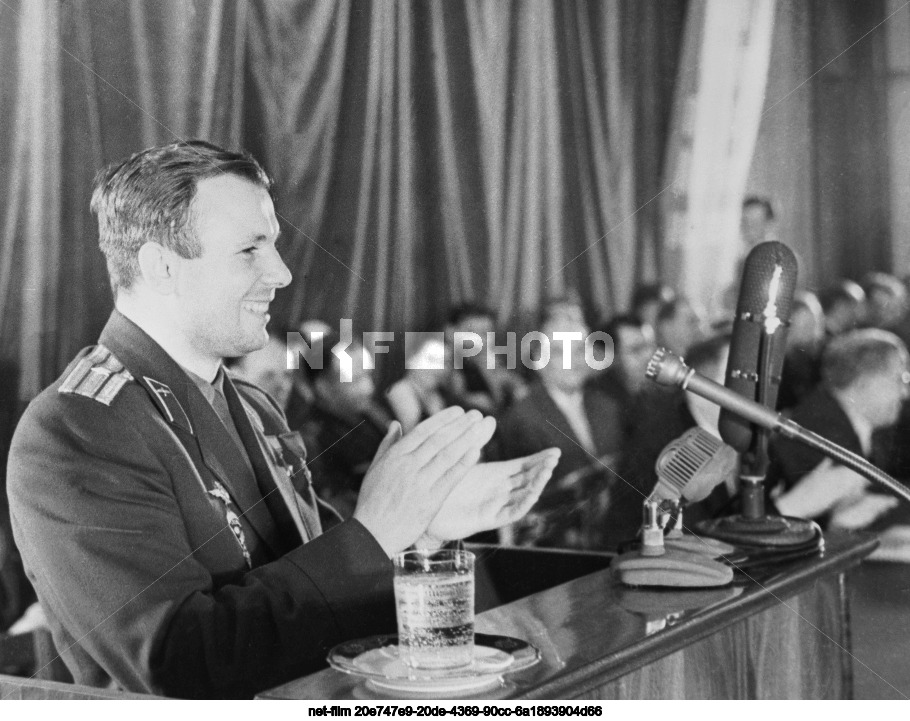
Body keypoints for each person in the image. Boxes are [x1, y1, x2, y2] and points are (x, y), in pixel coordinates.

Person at [6, 141, 560, 699]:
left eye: (272, 245)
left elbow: (315, 567)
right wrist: (377, 534)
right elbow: (180, 666)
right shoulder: (78, 428)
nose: (282, 272)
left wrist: (421, 523)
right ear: (161, 267)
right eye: (250, 249)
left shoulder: (255, 405)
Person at [497, 301, 624, 550]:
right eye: (559, 352)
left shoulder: (607, 406)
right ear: (538, 360)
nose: (572, 361)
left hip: (611, 539)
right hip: (554, 548)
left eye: (579, 350)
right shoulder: (521, 418)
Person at [767, 329, 907, 529]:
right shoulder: (821, 430)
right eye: (900, 379)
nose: (905, 393)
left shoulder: (850, 422)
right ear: (864, 382)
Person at [295, 331, 391, 518]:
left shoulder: (370, 412)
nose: (369, 388)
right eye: (356, 380)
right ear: (323, 387)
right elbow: (333, 511)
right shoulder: (310, 440)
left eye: (368, 376)